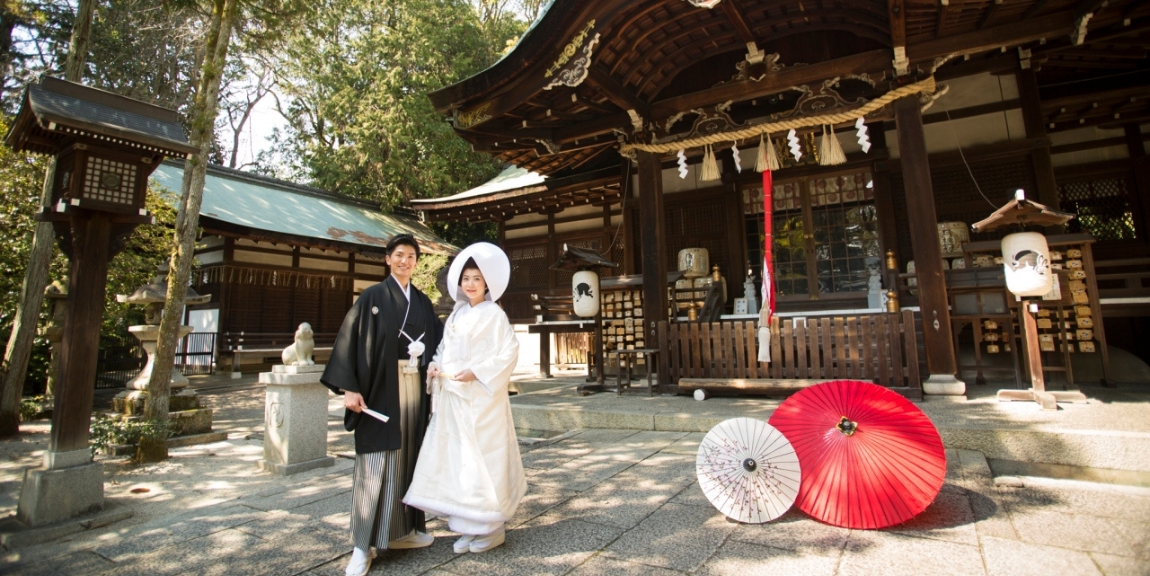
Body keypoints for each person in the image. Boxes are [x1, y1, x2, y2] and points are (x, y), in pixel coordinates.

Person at [320, 234, 443, 576]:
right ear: (388, 259)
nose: (405, 261)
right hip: (380, 393)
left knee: (409, 458)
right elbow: (350, 340)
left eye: (411, 256)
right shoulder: (372, 297)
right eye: (399, 255)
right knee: (376, 462)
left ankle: (404, 531)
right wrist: (348, 387)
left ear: (417, 263)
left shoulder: (420, 301)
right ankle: (362, 546)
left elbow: (442, 338)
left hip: (414, 389)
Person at [403, 242, 526, 554]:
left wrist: (477, 372)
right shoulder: (456, 314)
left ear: (487, 284)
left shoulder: (495, 315)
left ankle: (491, 527)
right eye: (466, 279)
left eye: (477, 279)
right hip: (454, 398)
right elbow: (445, 349)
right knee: (459, 461)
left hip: (483, 401)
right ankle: (467, 526)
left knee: (485, 460)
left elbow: (508, 353)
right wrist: (435, 363)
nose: (470, 285)